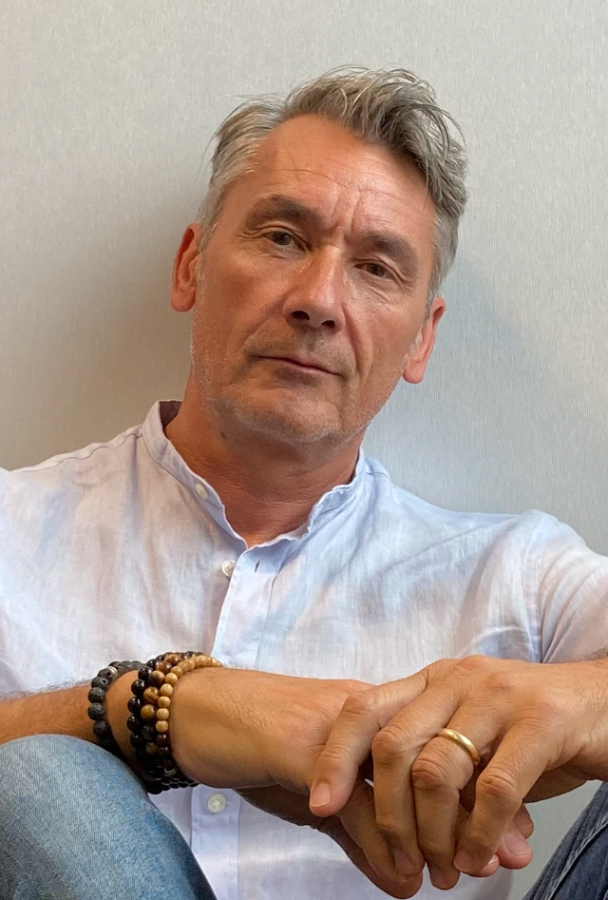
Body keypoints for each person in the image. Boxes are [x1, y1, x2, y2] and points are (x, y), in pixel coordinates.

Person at [1, 67, 607, 900]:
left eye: (377, 269)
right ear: (191, 266)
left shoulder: (519, 576)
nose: (318, 300)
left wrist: (578, 703)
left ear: (422, 340)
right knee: (42, 783)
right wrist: (155, 711)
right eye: (283, 238)